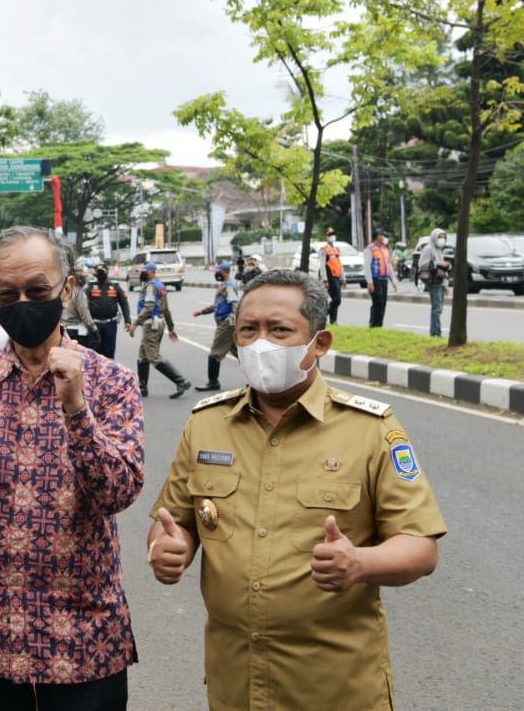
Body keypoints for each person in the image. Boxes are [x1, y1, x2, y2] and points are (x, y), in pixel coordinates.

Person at [145, 269, 446, 711]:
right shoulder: (207, 423)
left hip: (335, 691)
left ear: (319, 343)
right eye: (248, 329)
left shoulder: (370, 429)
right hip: (235, 687)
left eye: (279, 330)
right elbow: (176, 522)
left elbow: (421, 548)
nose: (260, 342)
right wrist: (167, 548)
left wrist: (359, 563)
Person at [0, 225, 143, 709]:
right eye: (8, 293)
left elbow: (118, 493)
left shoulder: (111, 382)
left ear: (67, 289)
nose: (22, 302)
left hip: (83, 629)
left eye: (37, 290)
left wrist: (77, 411)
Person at [126, 261, 191, 398]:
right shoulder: (160, 286)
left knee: (153, 356)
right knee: (143, 356)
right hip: (157, 323)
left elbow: (149, 307)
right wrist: (171, 327)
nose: (143, 274)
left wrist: (135, 324)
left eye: (146, 272)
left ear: (153, 272)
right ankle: (142, 387)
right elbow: (166, 309)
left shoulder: (150, 287)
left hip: (151, 325)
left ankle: (181, 381)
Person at [191, 261, 237, 392]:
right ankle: (256, 380)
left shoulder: (229, 286)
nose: (217, 274)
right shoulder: (223, 286)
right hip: (225, 323)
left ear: (226, 272)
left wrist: (234, 319)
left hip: (227, 323)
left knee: (215, 352)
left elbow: (234, 303)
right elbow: (217, 305)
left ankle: (213, 382)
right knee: (240, 353)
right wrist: (202, 312)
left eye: (219, 272)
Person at [86, 262, 131, 360]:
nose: (101, 273)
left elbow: (124, 303)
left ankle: (109, 374)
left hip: (110, 324)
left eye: (103, 271)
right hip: (94, 324)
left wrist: (128, 321)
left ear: (107, 272)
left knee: (109, 351)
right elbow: (82, 304)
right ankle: (95, 374)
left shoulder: (114, 286)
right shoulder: (90, 286)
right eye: (98, 272)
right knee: (94, 352)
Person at [417, 228, 452, 337]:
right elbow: (422, 264)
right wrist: (439, 263)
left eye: (443, 237)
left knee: (439, 309)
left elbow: (443, 270)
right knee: (436, 309)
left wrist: (445, 285)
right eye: (439, 237)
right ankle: (435, 333)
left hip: (440, 282)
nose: (442, 240)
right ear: (434, 237)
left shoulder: (439, 250)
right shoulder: (428, 249)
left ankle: (436, 332)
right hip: (433, 281)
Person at [364, 227, 398, 328]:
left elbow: (389, 265)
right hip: (375, 280)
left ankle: (379, 325)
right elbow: (367, 267)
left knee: (383, 303)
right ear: (377, 236)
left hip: (384, 280)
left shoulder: (385, 249)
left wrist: (393, 281)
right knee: (377, 302)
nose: (384, 237)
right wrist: (369, 282)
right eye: (382, 235)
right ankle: (373, 325)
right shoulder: (370, 249)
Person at [61, 266, 99, 346]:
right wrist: (94, 330)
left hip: (62, 330)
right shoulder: (79, 292)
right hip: (77, 331)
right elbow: (85, 314)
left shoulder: (62, 290)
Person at [317, 226, 345, 324]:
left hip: (337, 277)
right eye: (329, 235)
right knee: (337, 299)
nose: (332, 237)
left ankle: (333, 321)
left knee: (336, 300)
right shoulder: (324, 250)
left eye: (333, 235)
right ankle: (324, 314)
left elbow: (339, 264)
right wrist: (325, 280)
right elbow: (322, 266)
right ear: (326, 237)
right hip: (330, 277)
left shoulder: (336, 249)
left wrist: (343, 278)